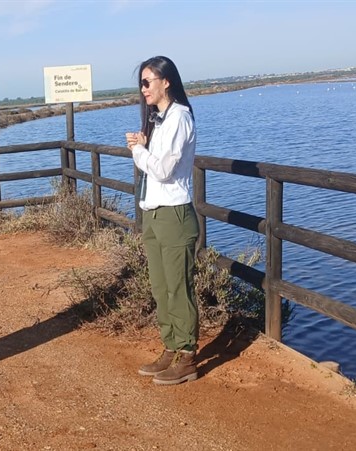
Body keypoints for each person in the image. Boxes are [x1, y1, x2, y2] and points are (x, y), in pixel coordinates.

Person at [125, 56, 200, 385]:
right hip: (154, 213)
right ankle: (170, 347)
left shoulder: (179, 117)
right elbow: (155, 165)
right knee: (161, 287)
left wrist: (138, 150)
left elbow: (164, 170)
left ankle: (187, 356)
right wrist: (144, 145)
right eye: (141, 83)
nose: (143, 89)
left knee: (178, 288)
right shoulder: (159, 119)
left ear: (166, 82)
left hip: (173, 214)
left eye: (147, 82)